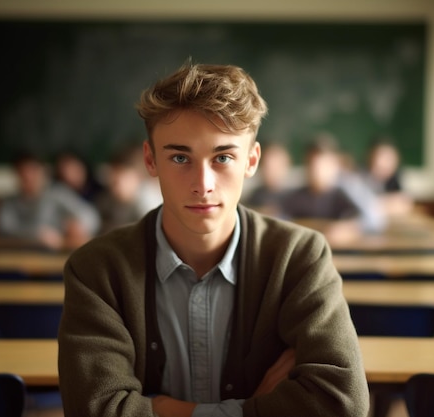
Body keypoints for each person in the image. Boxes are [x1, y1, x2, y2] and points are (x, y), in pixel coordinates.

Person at [58, 62, 369, 417]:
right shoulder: (96, 269)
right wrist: (255, 407)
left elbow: (342, 404)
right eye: (179, 157)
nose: (202, 184)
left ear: (251, 161)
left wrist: (161, 409)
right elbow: (94, 409)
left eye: (223, 157)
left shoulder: (300, 256)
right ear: (150, 160)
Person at [0, 152, 101, 251]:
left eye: (33, 171)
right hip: (19, 254)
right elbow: (4, 229)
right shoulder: (9, 202)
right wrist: (37, 234)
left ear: (42, 171)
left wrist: (80, 226)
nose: (29, 177)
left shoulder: (57, 193)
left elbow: (90, 215)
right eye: (23, 173)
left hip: (54, 258)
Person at [280, 135, 363, 243]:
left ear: (333, 165)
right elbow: (282, 220)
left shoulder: (340, 195)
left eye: (322, 164)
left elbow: (359, 221)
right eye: (311, 163)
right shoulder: (296, 197)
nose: (316, 169)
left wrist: (345, 230)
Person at [94, 148, 146, 235]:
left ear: (138, 177)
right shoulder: (107, 200)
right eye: (113, 174)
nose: (114, 180)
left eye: (121, 176)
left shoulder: (147, 205)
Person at [363, 138, 413, 216]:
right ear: (370, 157)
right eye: (381, 157)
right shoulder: (359, 178)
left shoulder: (394, 179)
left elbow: (404, 203)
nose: (384, 163)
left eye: (389, 159)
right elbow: (363, 205)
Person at [243, 141, 292, 217]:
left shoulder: (294, 200)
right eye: (267, 166)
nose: (271, 171)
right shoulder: (254, 198)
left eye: (277, 167)